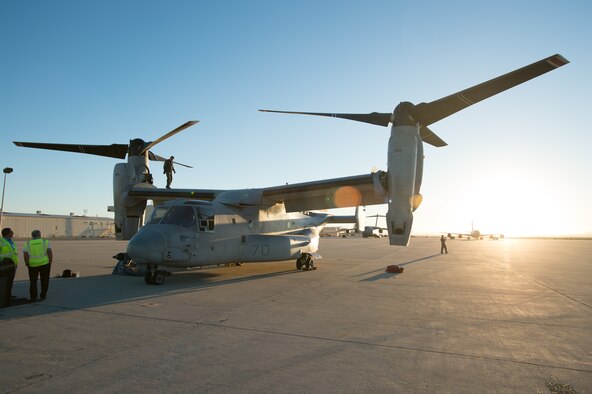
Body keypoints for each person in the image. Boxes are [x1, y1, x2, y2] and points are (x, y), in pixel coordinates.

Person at [23, 230, 53, 302]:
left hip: (32, 265)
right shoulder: (45, 242)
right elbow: (49, 252)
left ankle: (33, 296)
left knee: (33, 281)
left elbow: (25, 255)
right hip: (44, 264)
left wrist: (27, 263)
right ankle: (43, 295)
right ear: (40, 235)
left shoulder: (27, 243)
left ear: (32, 236)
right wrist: (50, 262)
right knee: (45, 280)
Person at [0, 227, 18, 301]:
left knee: (10, 280)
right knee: (4, 281)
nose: (12, 233)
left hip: (13, 264)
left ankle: (8, 295)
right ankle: (3, 296)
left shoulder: (11, 241)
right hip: (4, 264)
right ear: (8, 233)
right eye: (11, 232)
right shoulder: (1, 241)